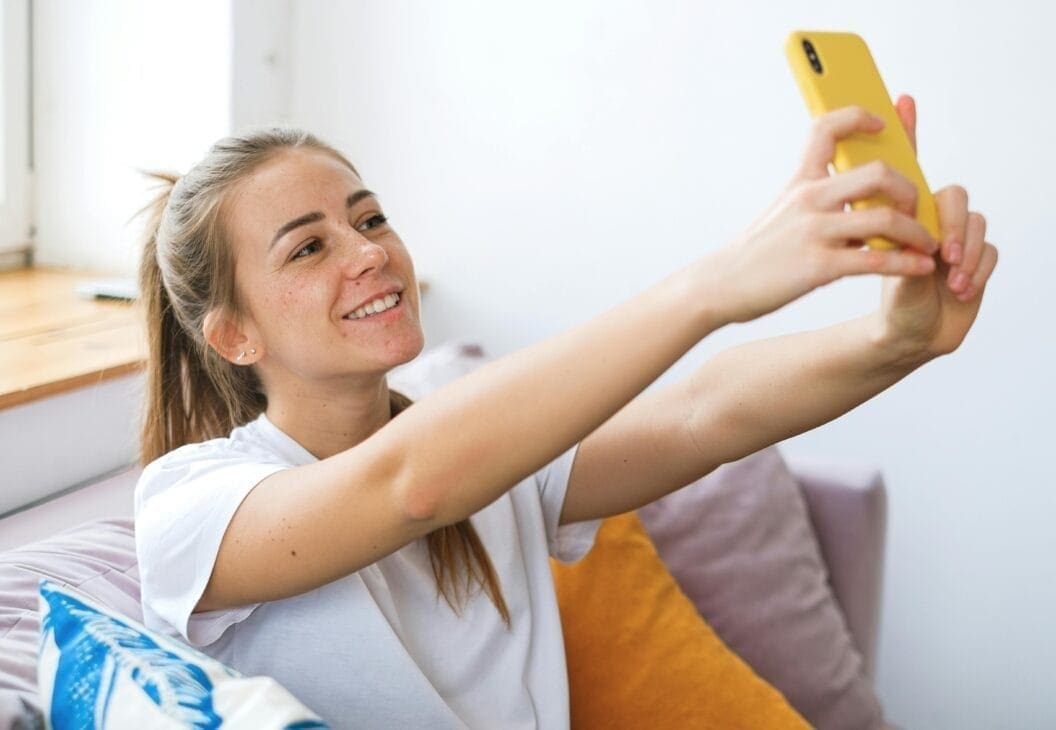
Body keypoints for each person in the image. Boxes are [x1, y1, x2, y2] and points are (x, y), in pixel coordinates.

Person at [133, 97, 997, 728]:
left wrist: (895, 340)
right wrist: (714, 285)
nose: (368, 252)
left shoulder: (491, 453)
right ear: (235, 335)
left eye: (371, 218)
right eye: (308, 248)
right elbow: (410, 486)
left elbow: (704, 413)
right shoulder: (189, 505)